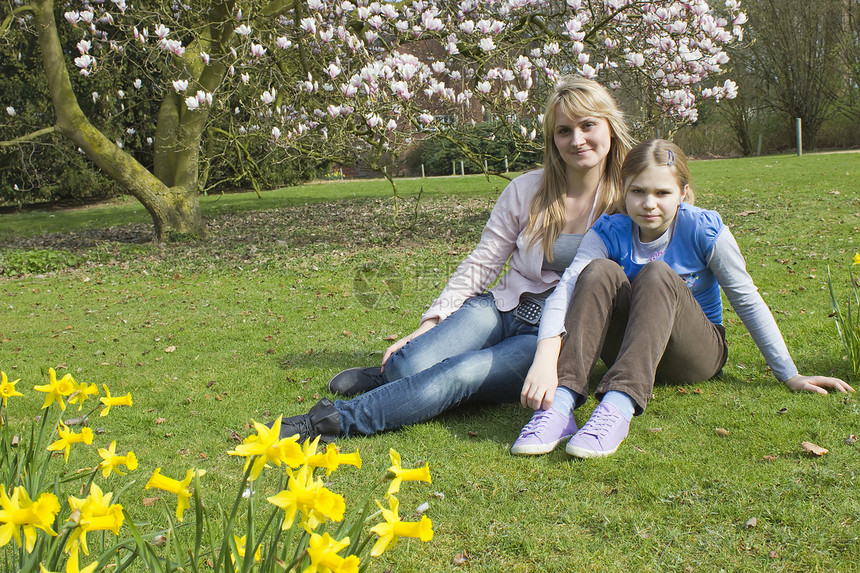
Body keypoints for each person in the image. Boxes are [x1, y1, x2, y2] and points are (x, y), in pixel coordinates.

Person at [270, 76, 635, 442]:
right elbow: (482, 263)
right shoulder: (527, 190)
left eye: (588, 125)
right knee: (409, 366)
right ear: (552, 139)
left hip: (552, 335)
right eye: (564, 130)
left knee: (461, 373)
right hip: (504, 308)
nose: (577, 140)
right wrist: (431, 324)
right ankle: (395, 374)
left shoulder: (631, 199)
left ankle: (329, 422)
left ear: (610, 126)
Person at [511, 138, 855, 458]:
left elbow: (746, 300)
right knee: (597, 270)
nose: (649, 203)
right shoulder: (608, 229)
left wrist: (790, 374)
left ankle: (618, 406)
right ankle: (559, 406)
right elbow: (568, 288)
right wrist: (545, 360)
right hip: (631, 347)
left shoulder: (703, 229)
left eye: (662, 192)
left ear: (683, 193)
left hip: (695, 353)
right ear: (624, 191)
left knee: (657, 272)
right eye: (638, 191)